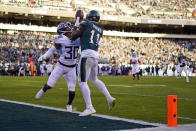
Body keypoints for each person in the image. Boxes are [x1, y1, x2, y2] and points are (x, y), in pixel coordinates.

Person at [71, 10, 115, 116]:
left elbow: (73, 36)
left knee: (82, 82)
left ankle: (89, 107)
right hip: (95, 56)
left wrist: (76, 21)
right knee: (94, 79)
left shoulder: (86, 23)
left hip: (86, 55)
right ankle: (109, 98)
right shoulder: (100, 30)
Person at [35, 21, 80, 112]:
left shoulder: (77, 38)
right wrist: (45, 56)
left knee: (72, 89)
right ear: (64, 31)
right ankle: (43, 90)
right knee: (50, 85)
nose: (70, 28)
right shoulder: (60, 39)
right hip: (61, 66)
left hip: (72, 67)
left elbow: (79, 35)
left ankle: (69, 104)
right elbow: (53, 49)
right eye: (68, 27)